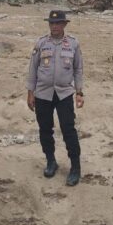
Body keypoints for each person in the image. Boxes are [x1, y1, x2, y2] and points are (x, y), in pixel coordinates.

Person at [26, 10, 84, 186]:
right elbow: (33, 68)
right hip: (43, 93)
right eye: (52, 23)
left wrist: (79, 92)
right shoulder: (41, 43)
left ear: (64, 24)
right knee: (45, 129)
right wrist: (30, 92)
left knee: (68, 129)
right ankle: (51, 161)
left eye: (58, 23)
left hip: (64, 93)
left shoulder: (73, 44)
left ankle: (75, 167)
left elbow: (78, 69)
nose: (55, 26)